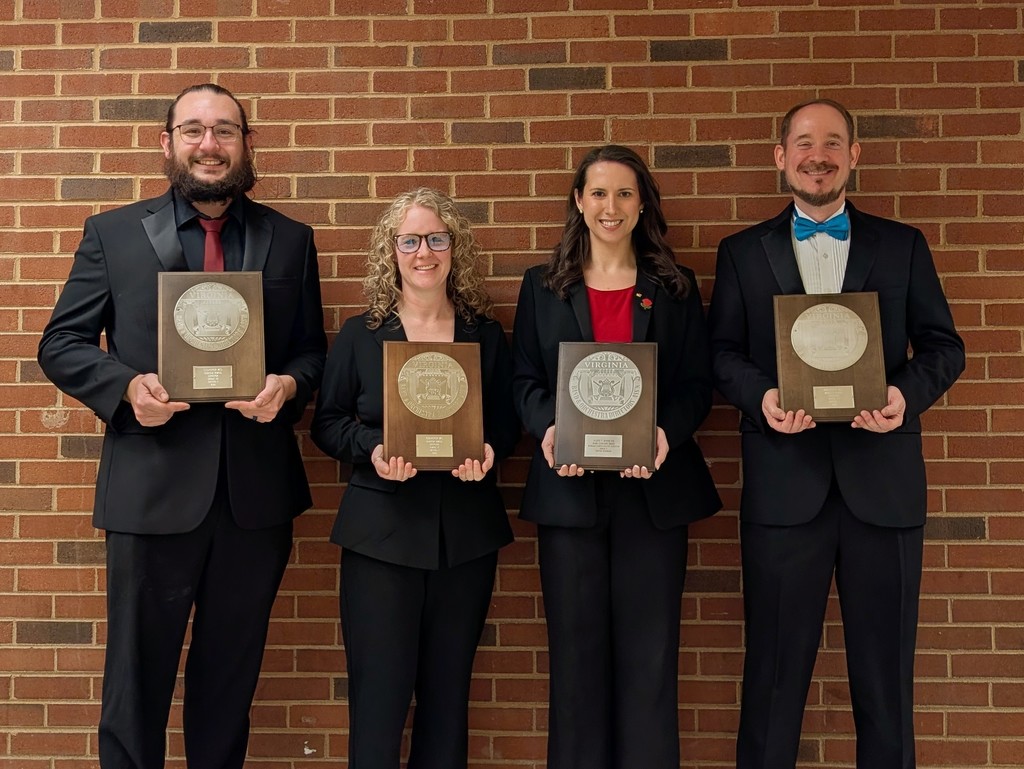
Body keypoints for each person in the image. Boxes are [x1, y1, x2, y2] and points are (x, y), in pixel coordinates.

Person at [37, 83, 327, 769]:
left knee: (229, 687)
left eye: (225, 130)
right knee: (135, 686)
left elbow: (312, 351)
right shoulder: (112, 233)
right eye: (194, 130)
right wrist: (126, 387)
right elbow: (61, 343)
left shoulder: (291, 239)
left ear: (248, 145)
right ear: (166, 143)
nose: (209, 144)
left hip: (253, 501)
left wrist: (287, 386)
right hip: (151, 489)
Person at [707, 98, 965, 769]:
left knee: (886, 688)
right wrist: (761, 396)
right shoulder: (740, 253)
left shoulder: (903, 245)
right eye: (802, 143)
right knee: (771, 683)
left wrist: (903, 397)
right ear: (780, 157)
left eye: (831, 143)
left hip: (883, 489)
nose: (816, 156)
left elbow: (944, 346)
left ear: (855, 155)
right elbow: (720, 354)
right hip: (784, 491)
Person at [511, 145, 722, 769]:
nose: (611, 207)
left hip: (653, 494)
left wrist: (665, 433)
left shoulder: (675, 287)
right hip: (569, 493)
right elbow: (523, 379)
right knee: (574, 665)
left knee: (650, 661)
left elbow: (696, 387)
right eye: (599, 193)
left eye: (625, 194)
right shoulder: (543, 287)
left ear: (642, 204)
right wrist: (550, 429)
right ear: (579, 201)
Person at [310, 188, 519, 769]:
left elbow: (507, 423)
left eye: (436, 239)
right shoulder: (361, 334)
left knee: (448, 702)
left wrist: (490, 451)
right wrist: (372, 448)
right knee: (377, 701)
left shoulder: (485, 335)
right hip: (381, 535)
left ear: (455, 248)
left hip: (466, 537)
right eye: (410, 241)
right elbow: (326, 425)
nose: (423, 252)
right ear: (391, 252)